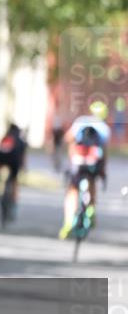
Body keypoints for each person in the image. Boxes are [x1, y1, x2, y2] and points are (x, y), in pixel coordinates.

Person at [60, 100, 110, 239]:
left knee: (72, 190)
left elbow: (68, 139)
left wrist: (70, 159)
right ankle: (91, 209)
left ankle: (68, 221)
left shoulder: (81, 122)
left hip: (77, 161)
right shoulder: (104, 128)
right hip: (93, 163)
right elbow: (104, 152)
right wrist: (103, 170)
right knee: (92, 183)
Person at [0, 122, 27, 206]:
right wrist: (23, 167)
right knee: (14, 180)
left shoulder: (6, 137)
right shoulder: (20, 140)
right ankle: (14, 199)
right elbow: (22, 156)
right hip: (15, 161)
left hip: (2, 159)